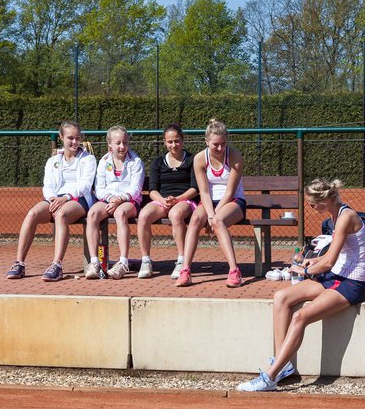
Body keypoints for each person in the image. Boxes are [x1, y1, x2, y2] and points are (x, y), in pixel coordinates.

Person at [237, 178, 365, 392]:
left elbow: (330, 261)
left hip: (350, 283)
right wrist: (312, 260)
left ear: (324, 200)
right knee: (281, 297)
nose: (309, 208)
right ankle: (283, 366)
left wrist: (306, 270)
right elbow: (335, 256)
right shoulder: (336, 214)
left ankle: (269, 378)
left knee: (301, 316)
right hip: (335, 277)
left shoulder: (346, 216)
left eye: (311, 204)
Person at [5, 121, 96, 282]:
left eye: (77, 138)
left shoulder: (88, 159)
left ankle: (57, 265)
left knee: (61, 215)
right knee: (32, 213)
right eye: (70, 138)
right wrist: (52, 198)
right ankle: (19, 263)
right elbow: (48, 185)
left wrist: (65, 198)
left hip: (79, 200)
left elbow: (85, 186)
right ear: (61, 137)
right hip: (55, 199)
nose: (74, 142)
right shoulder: (53, 160)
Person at [177, 118, 246, 288]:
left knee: (218, 221)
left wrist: (213, 216)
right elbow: (204, 191)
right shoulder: (200, 159)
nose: (220, 148)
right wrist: (209, 213)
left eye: (223, 143)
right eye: (215, 144)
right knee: (194, 221)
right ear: (206, 142)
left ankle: (234, 271)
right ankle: (185, 270)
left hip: (233, 201)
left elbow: (230, 192)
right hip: (209, 202)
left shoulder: (235, 156)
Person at [136, 124, 197, 279]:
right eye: (170, 142)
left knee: (176, 215)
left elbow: (195, 189)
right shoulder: (158, 162)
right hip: (163, 201)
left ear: (183, 141)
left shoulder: (192, 160)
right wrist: (162, 200)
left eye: (176, 141)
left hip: (185, 200)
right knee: (143, 216)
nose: (173, 145)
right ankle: (146, 261)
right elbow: (153, 190)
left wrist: (178, 199)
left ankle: (182, 261)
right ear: (164, 142)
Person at [84, 126, 145, 279]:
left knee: (120, 213)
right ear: (109, 144)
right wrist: (111, 198)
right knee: (92, 213)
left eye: (125, 142)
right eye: (118, 143)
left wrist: (120, 199)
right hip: (108, 200)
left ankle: (123, 262)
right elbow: (99, 188)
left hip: (129, 201)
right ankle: (94, 263)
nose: (122, 147)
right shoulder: (104, 161)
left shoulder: (136, 161)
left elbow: (136, 189)